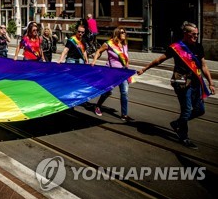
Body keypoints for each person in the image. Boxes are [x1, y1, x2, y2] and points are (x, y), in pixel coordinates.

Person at [137, 21, 215, 149]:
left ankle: (177, 123)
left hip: (196, 82)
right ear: (185, 33)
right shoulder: (176, 47)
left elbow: (204, 66)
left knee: (200, 110)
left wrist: (211, 83)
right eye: (193, 34)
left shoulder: (198, 46)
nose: (196, 36)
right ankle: (184, 137)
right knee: (186, 110)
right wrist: (144, 69)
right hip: (182, 83)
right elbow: (159, 60)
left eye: (197, 34)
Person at [91, 27, 133, 121]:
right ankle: (97, 106)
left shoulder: (125, 45)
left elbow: (127, 59)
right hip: (112, 72)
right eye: (122, 32)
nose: (124, 34)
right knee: (108, 91)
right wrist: (94, 61)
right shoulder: (108, 44)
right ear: (117, 34)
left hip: (123, 72)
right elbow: (98, 51)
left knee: (124, 93)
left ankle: (124, 114)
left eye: (125, 32)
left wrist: (128, 72)